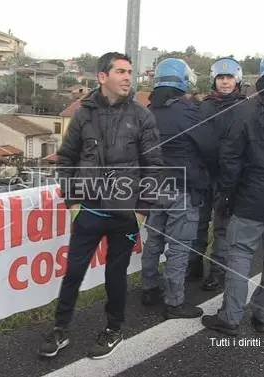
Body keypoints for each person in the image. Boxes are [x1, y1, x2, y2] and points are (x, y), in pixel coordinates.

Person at [39, 52, 163, 359]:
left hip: (125, 214)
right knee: (74, 272)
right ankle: (60, 328)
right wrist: (72, 202)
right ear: (102, 77)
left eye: (130, 72)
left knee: (115, 274)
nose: (127, 77)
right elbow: (67, 159)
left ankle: (114, 329)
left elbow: (154, 166)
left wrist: (141, 209)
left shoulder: (142, 115)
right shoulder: (83, 114)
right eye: (120, 71)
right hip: (88, 211)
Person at [141, 58, 216, 318]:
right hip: (182, 189)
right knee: (179, 247)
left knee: (153, 241)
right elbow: (209, 146)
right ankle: (174, 302)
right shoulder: (188, 110)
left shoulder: (148, 111)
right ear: (183, 80)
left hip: (153, 188)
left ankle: (149, 288)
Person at [201, 58, 264, 335]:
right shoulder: (245, 108)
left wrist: (226, 195)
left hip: (251, 196)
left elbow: (231, 158)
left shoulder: (246, 110)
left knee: (239, 253)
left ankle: (230, 317)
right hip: (253, 191)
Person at [189, 57, 246, 289]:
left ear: (237, 80)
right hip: (203, 175)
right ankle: (193, 266)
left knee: (223, 227)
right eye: (220, 78)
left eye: (229, 78)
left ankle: (218, 271)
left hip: (229, 178)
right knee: (198, 222)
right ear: (214, 80)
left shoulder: (245, 107)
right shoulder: (204, 106)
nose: (224, 82)